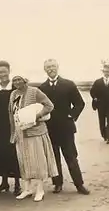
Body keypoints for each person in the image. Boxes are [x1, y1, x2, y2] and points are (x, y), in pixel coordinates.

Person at [39, 59, 90, 195]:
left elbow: (80, 103)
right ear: (45, 70)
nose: (51, 69)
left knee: (71, 156)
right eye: (48, 67)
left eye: (53, 66)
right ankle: (57, 184)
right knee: (54, 158)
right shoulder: (42, 88)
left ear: (58, 67)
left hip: (66, 129)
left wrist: (71, 116)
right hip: (49, 129)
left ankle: (79, 185)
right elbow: (39, 107)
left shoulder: (68, 85)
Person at [9, 75, 58, 202]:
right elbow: (11, 114)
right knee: (24, 161)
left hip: (35, 132)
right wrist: (13, 132)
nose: (17, 82)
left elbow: (49, 105)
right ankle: (27, 189)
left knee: (37, 161)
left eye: (20, 79)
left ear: (25, 80)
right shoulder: (13, 94)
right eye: (14, 80)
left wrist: (37, 116)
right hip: (20, 133)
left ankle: (40, 190)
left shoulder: (34, 91)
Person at [0, 61, 21, 195]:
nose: (3, 74)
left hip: (13, 126)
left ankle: (18, 185)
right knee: (1, 154)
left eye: (5, 71)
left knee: (14, 154)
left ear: (9, 71)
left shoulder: (15, 87)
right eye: (0, 72)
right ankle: (4, 183)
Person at [90, 62, 109, 144]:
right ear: (103, 72)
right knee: (102, 121)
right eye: (106, 72)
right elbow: (92, 91)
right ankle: (104, 135)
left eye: (108, 72)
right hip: (101, 105)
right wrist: (95, 98)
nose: (107, 73)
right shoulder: (98, 82)